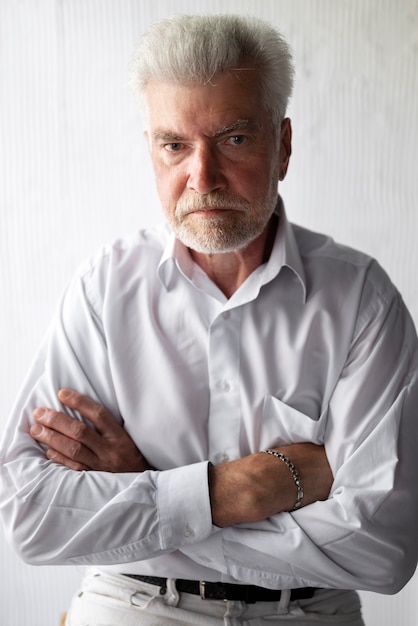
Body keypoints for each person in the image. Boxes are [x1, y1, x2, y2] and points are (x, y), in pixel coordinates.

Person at [1, 13, 418, 626]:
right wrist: (244, 489)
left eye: (234, 139)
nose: (202, 176)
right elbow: (31, 516)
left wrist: (143, 491)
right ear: (150, 149)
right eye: (175, 145)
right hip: (133, 603)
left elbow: (382, 549)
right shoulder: (103, 287)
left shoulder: (361, 298)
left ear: (284, 146)